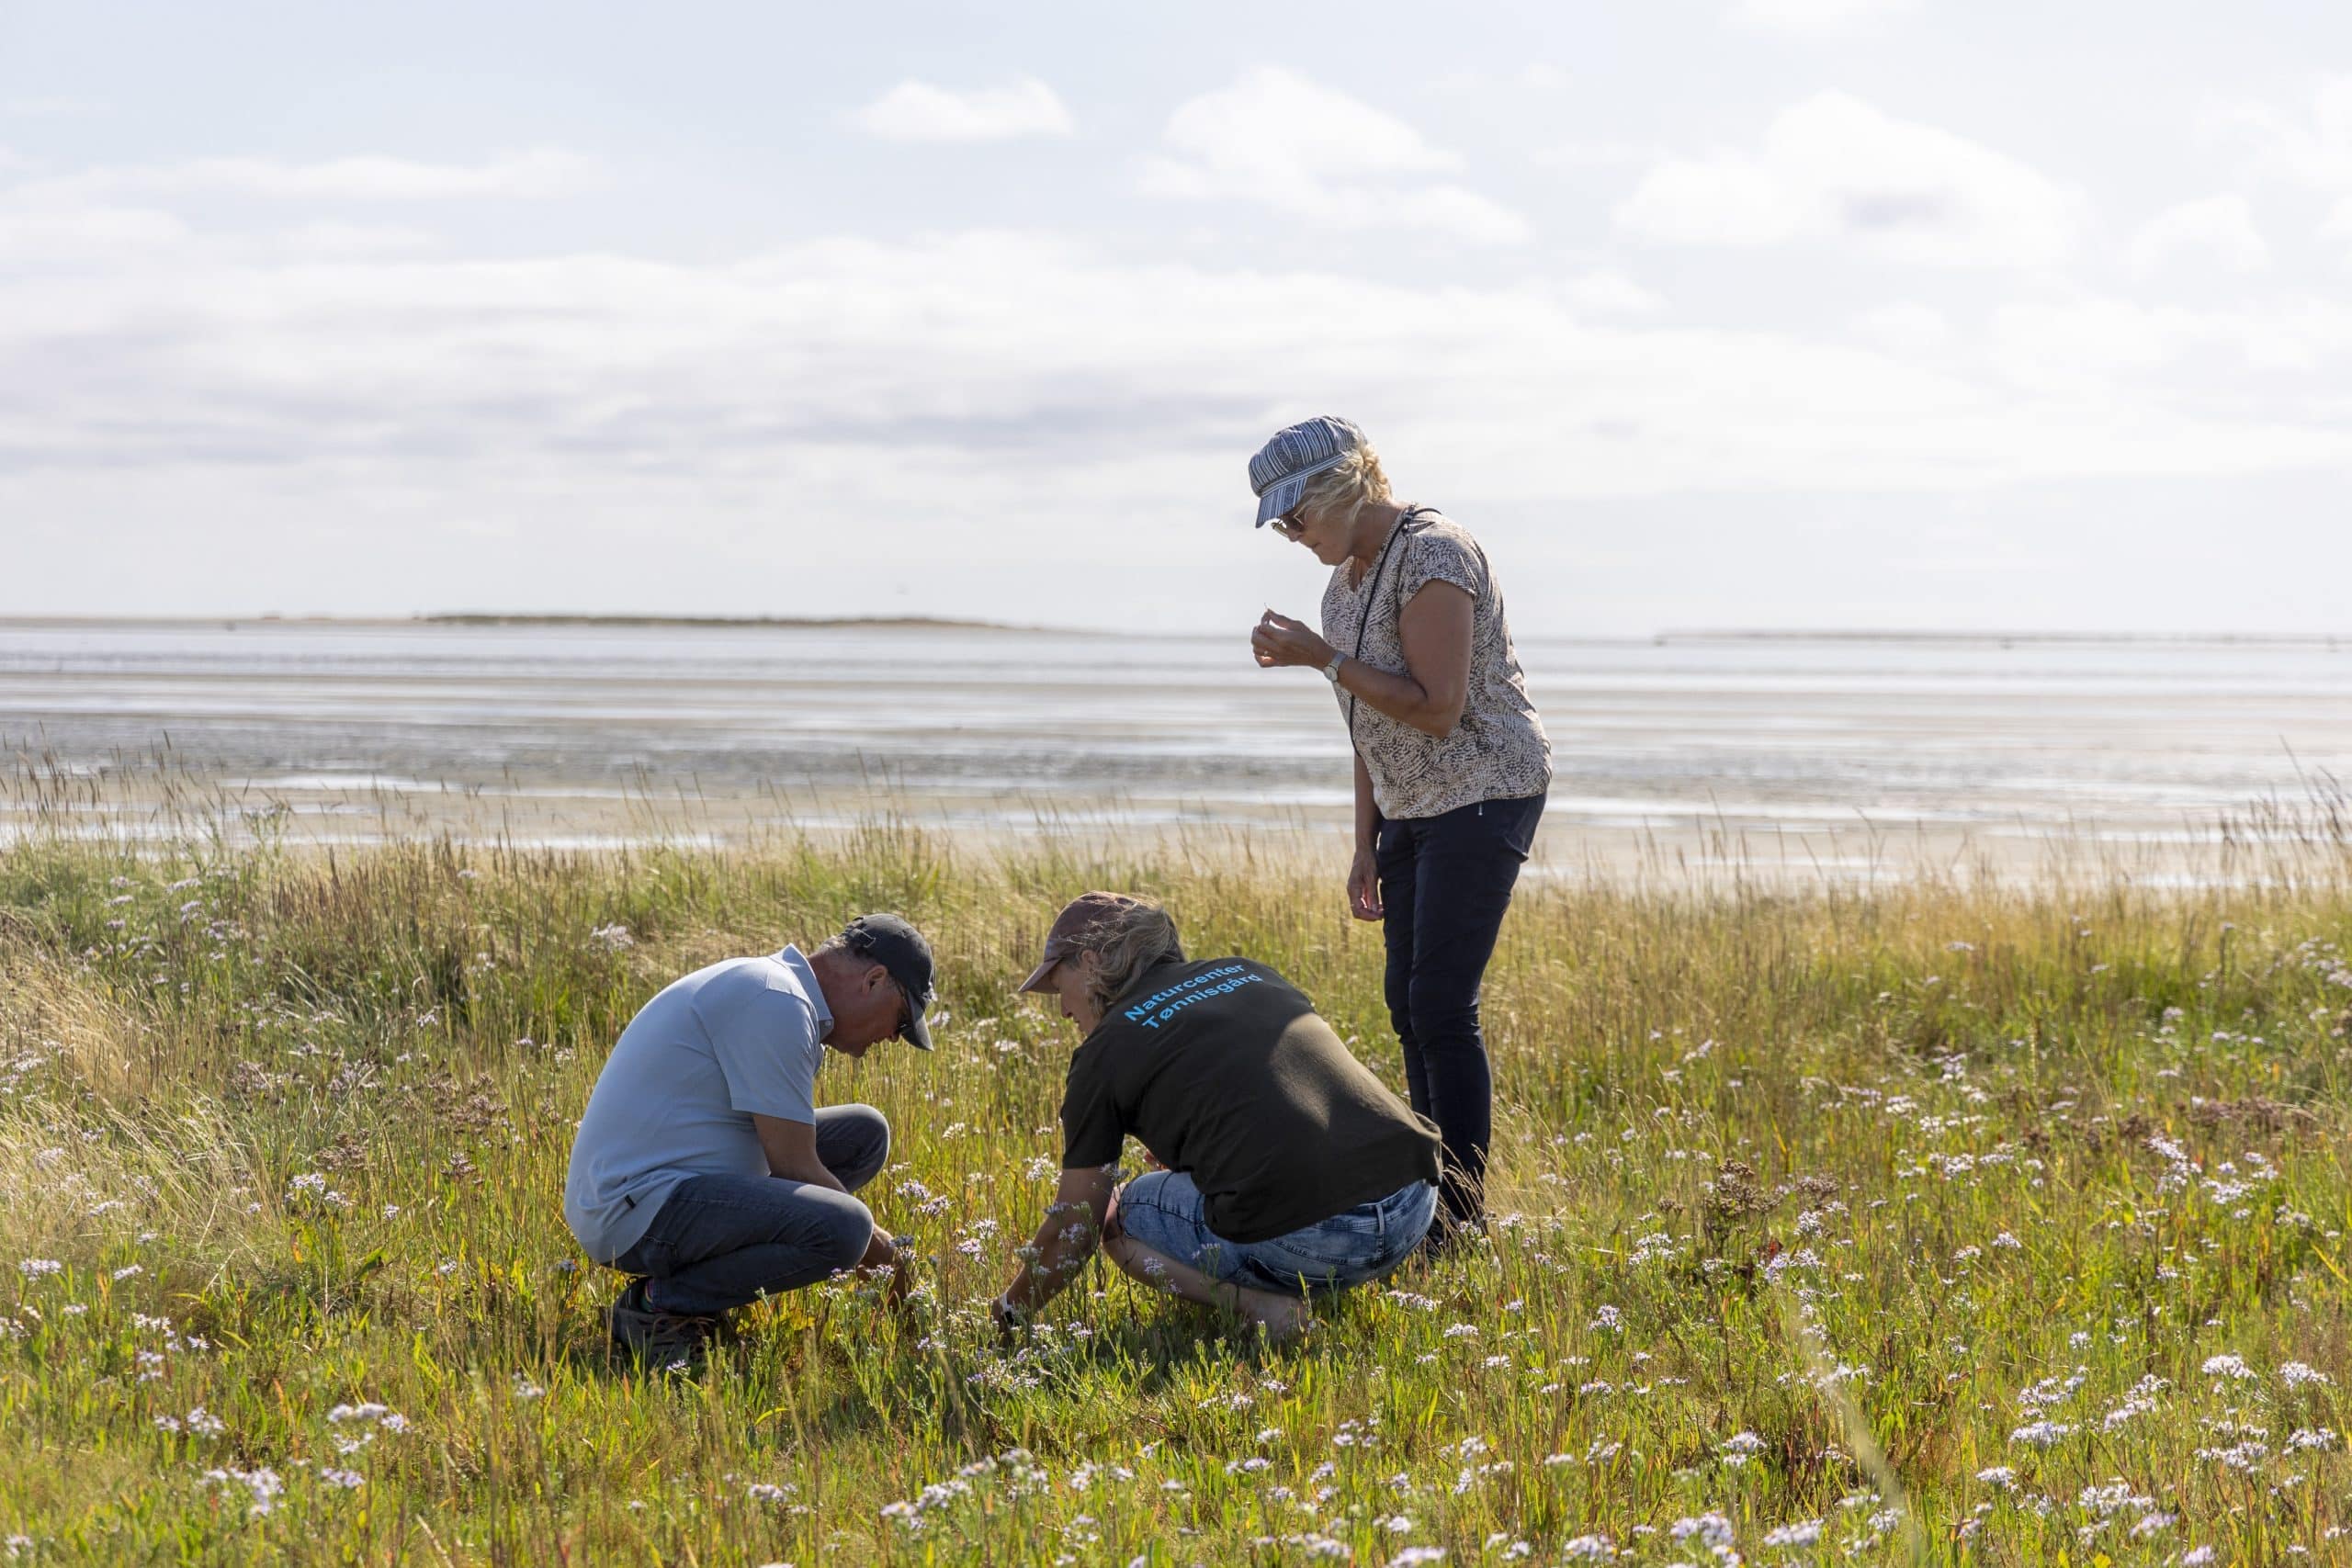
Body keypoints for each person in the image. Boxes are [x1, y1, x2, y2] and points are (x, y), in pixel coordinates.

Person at [1245, 416, 1552, 1242]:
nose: (1290, 534)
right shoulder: (1342, 587)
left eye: (1294, 514)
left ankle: (1460, 1217)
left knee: (1441, 1003)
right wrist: (1363, 842)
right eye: (1280, 522)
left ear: (1339, 488)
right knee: (1404, 1003)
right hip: (1409, 805)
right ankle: (1433, 1204)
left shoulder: (1435, 553)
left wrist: (1322, 658)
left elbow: (1439, 709)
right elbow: (1367, 726)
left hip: (1486, 788)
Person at [992, 892, 1441, 1344]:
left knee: (1119, 1214)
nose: (1064, 1009)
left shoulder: (1102, 1052)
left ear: (1089, 963)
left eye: (1058, 983)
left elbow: (1079, 1225)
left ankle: (1262, 1308)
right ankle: (1344, 1278)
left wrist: (1010, 1311)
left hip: (1319, 1237)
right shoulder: (1246, 971)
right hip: (1413, 1202)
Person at [562, 913, 936, 1365]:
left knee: (864, 1134)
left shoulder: (782, 994)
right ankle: (660, 1304)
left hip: (669, 1183)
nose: (894, 1039)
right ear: (874, 981)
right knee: (847, 1229)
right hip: (634, 1207)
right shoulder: (776, 1000)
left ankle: (699, 1295)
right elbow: (793, 1166)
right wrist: (887, 1261)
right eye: (901, 1020)